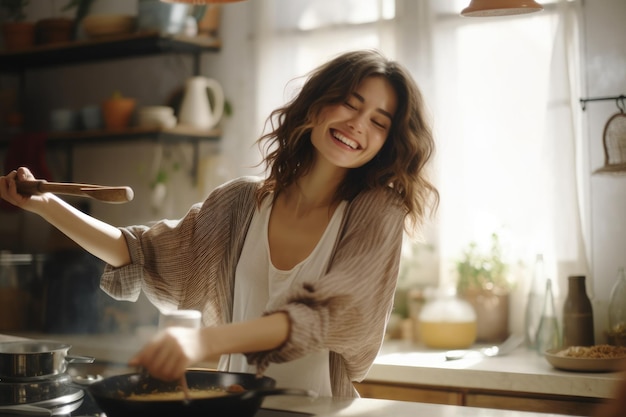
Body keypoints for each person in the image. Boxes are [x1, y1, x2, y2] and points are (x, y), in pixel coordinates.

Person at [0, 49, 439, 398]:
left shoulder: (378, 212)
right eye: (350, 103)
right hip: (238, 406)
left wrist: (203, 343)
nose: (357, 124)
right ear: (318, 104)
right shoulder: (240, 203)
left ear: (387, 142)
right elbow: (139, 252)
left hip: (320, 409)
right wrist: (46, 206)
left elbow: (329, 314)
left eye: (378, 122)